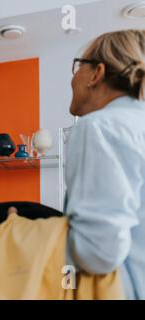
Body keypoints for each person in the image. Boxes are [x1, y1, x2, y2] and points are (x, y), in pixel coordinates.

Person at [64, 30, 145, 299]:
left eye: (78, 67)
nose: (72, 78)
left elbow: (98, 252)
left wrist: (22, 233)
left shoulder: (98, 127)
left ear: (97, 73)